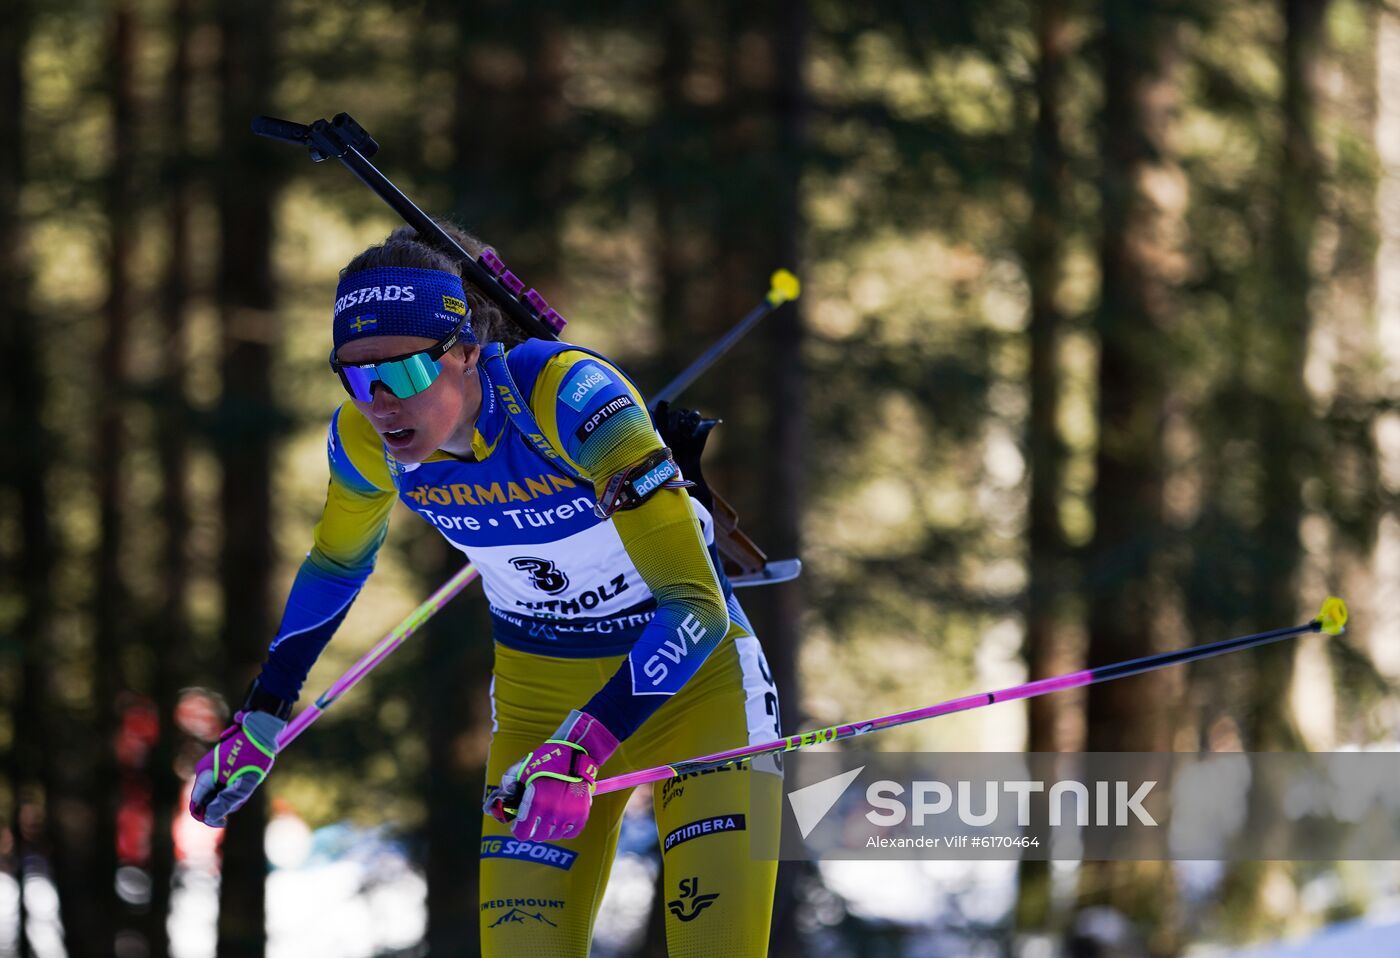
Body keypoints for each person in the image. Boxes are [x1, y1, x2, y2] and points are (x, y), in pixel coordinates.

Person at [188, 231, 783, 956]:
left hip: (696, 692)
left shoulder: (569, 398)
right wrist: (263, 710)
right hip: (542, 705)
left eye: (403, 375)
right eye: (353, 376)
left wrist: (586, 745)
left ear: (466, 350)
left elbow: (696, 607)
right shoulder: (365, 441)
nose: (378, 401)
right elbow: (337, 565)